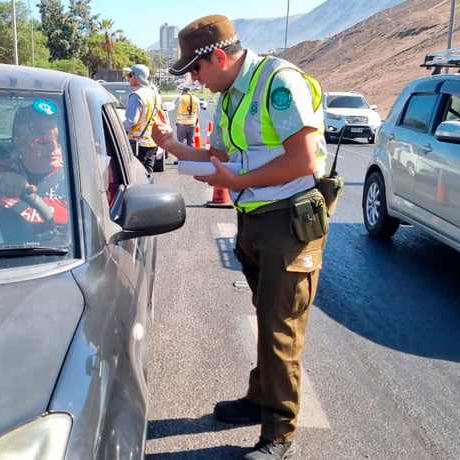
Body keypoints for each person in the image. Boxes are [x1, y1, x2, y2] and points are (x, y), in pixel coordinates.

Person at [150, 14, 328, 460]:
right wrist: (172, 146)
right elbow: (219, 156)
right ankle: (259, 399)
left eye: (196, 69)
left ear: (221, 57)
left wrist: (241, 179)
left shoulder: (277, 83)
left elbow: (304, 160)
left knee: (279, 329)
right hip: (254, 220)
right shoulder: (231, 93)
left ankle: (279, 434)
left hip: (289, 221)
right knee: (266, 318)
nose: (193, 78)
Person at [0, 100, 68, 237]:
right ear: (20, 141)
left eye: (60, 139)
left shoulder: (77, 175)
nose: (55, 147)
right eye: (43, 140)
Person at [124, 64, 162, 174]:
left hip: (138, 144)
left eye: (130, 75)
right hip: (152, 142)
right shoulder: (154, 95)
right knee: (148, 174)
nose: (128, 77)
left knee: (136, 176)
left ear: (136, 76)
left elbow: (131, 121)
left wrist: (116, 126)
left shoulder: (136, 96)